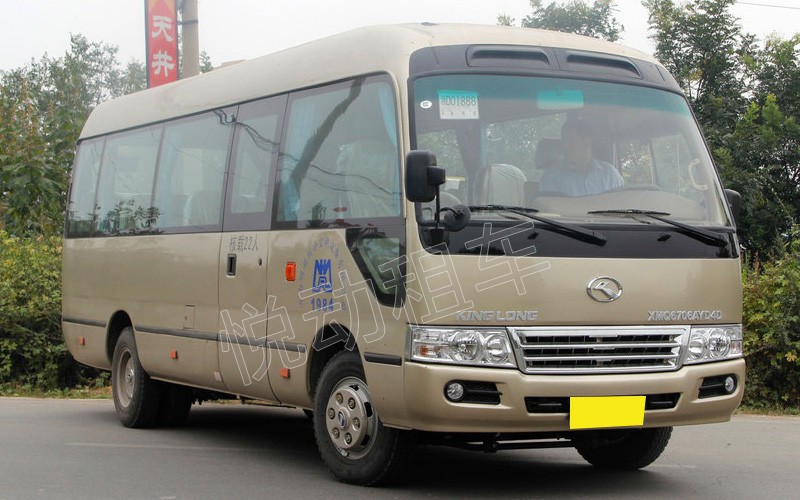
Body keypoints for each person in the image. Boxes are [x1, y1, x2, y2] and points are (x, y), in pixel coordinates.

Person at [538, 119, 624, 196]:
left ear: (587, 142)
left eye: (570, 141)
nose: (565, 147)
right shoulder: (552, 178)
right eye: (564, 142)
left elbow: (621, 205)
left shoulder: (610, 174)